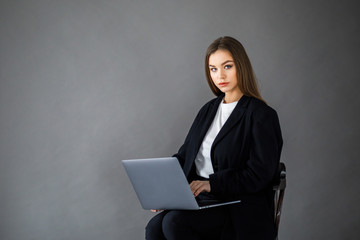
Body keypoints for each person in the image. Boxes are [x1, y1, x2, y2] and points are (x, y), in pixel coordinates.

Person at [145, 36, 283, 240]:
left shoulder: (261, 115)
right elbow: (185, 156)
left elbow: (260, 174)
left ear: (241, 67)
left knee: (175, 223)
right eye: (213, 69)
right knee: (155, 227)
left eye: (227, 66)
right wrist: (165, 192)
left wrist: (213, 183)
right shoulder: (208, 110)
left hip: (238, 207)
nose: (220, 75)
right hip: (203, 201)